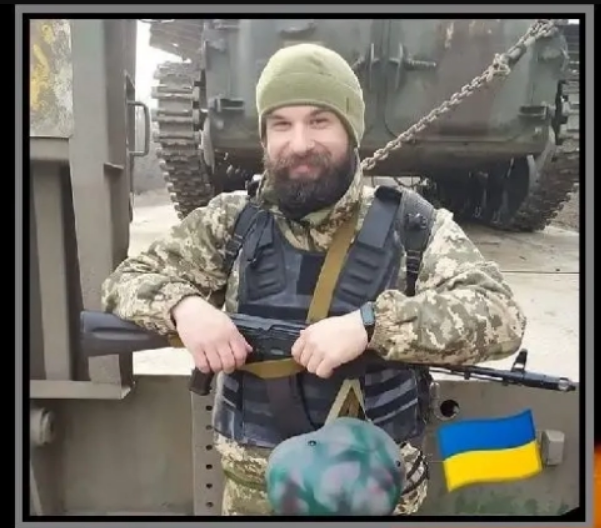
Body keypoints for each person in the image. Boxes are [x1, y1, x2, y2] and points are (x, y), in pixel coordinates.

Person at [101, 42, 527, 516]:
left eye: (319, 121)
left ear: (351, 129)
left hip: (371, 496)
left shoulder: (412, 226)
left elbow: (500, 314)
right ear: (264, 136)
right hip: (254, 496)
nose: (299, 143)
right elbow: (126, 280)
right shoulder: (231, 222)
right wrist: (186, 307)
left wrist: (372, 325)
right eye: (281, 124)